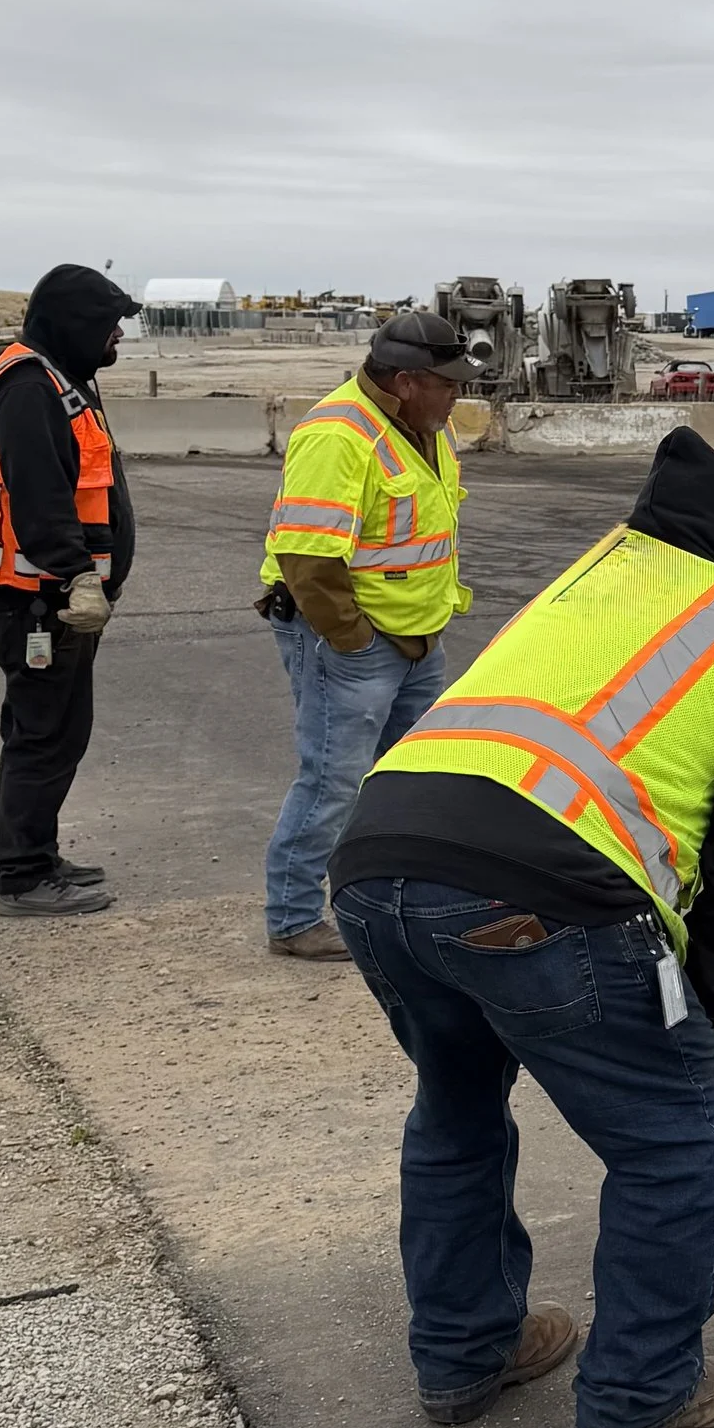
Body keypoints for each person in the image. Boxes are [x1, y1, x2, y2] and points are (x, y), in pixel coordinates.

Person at [328, 430, 714, 1428]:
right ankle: (642, 1392)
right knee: (670, 1137)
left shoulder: (591, 583)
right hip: (539, 897)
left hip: (375, 869)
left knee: (454, 1108)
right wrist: (708, 1007)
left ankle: (465, 1353)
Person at [260, 311, 475, 960]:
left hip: (417, 638)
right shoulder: (338, 433)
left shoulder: (428, 427)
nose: (458, 394)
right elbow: (309, 559)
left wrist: (423, 628)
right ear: (407, 381)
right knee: (332, 778)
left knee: (407, 778)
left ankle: (387, 898)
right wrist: (352, 643)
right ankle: (294, 916)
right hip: (354, 643)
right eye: (448, 382)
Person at [0, 264, 143, 915]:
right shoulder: (29, 386)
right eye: (109, 326)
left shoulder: (62, 378)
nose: (116, 338)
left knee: (56, 728)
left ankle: (37, 853)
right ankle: (21, 875)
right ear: (76, 324)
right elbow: (41, 498)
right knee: (43, 732)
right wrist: (77, 577)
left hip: (51, 598)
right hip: (36, 600)